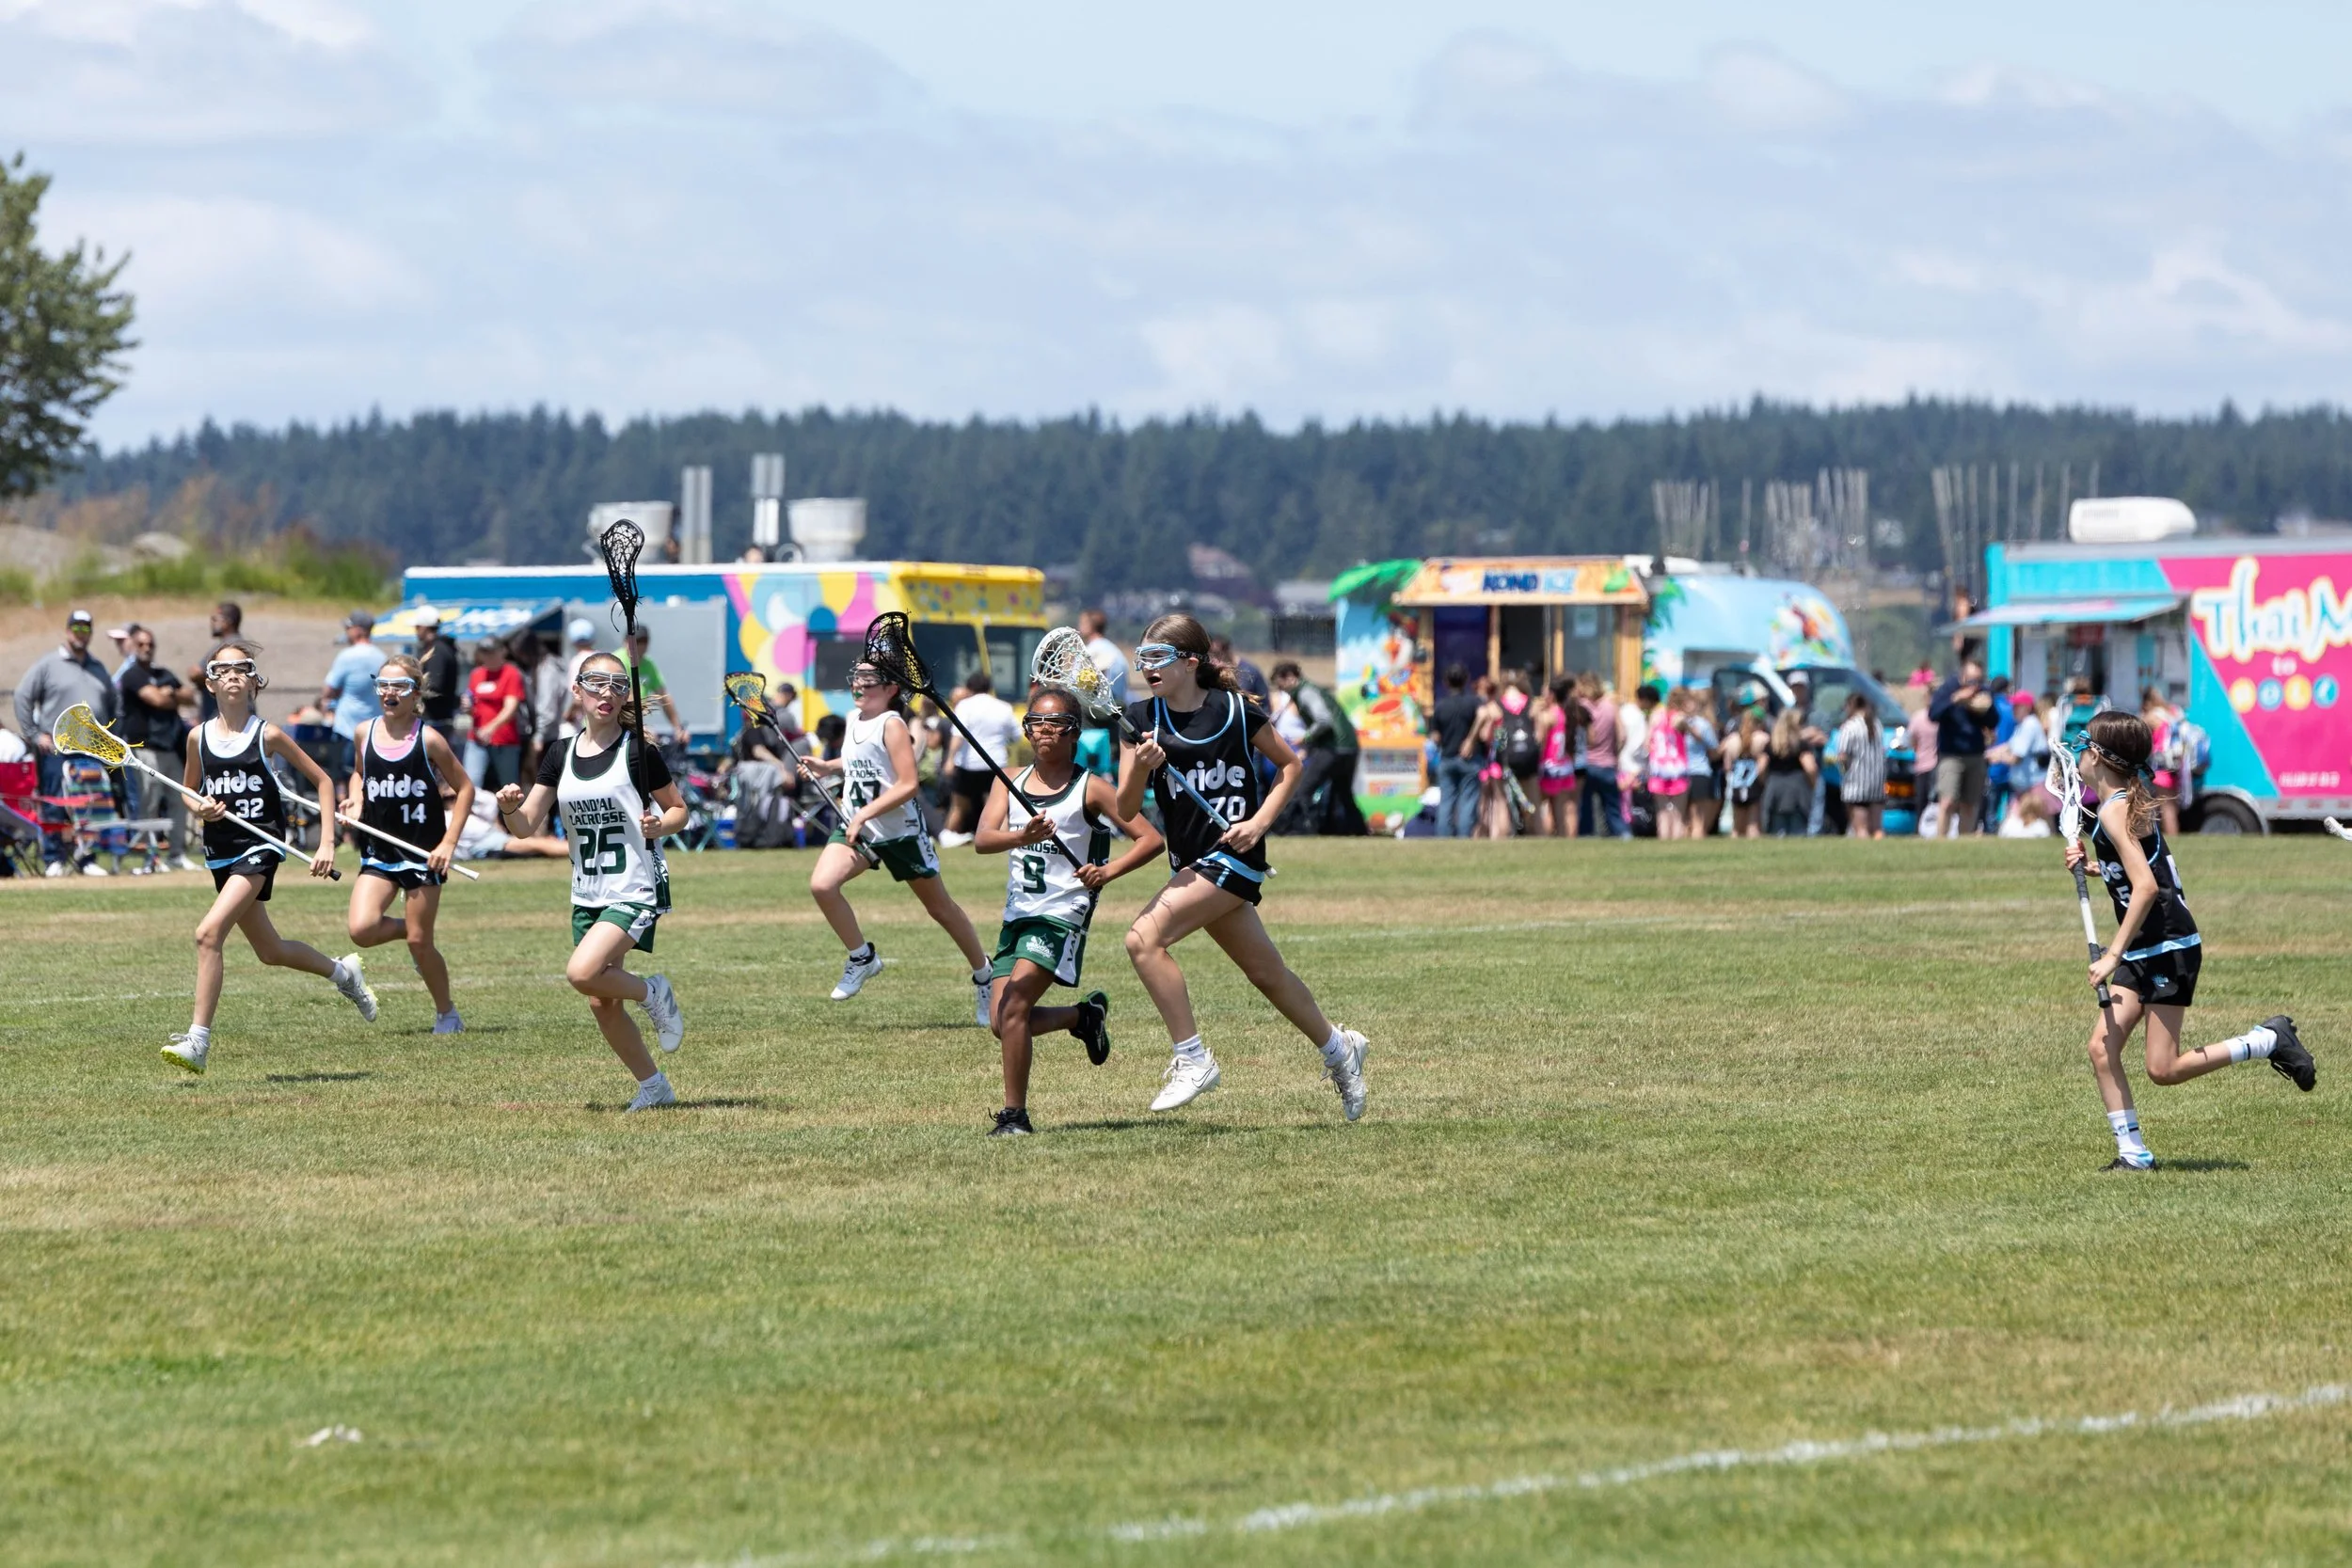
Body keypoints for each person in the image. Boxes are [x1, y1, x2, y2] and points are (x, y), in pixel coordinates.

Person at [1117, 613, 1369, 1119]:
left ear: (1191, 662)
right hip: (1191, 861)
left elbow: (1291, 766)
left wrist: (1258, 823)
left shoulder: (1236, 711)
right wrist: (1141, 768)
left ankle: (1192, 1059)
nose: (1148, 669)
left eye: (1158, 659)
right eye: (1142, 660)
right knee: (1267, 974)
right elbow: (1125, 811)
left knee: (1143, 940)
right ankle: (1341, 1049)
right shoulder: (1139, 719)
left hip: (1234, 855)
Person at [2066, 711, 2313, 1171]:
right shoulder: (2118, 806)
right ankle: (2133, 1154)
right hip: (2145, 945)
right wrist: (2098, 866)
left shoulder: (2115, 808)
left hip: (2167, 946)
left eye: (2081, 745)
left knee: (2163, 1069)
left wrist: (2111, 954)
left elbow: (2147, 888)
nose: (2075, 755)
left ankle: (2265, 1040)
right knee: (2102, 1047)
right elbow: (2141, 869)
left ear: (2097, 756)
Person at [164, 640, 374, 1075]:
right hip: (220, 853)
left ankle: (198, 1042)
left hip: (259, 848)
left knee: (208, 934)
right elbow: (190, 793)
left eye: (242, 667)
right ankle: (343, 974)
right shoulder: (197, 737)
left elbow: (321, 782)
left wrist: (328, 842)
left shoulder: (269, 735)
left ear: (255, 680)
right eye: (223, 669)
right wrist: (199, 807)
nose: (233, 674)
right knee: (270, 950)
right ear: (210, 682)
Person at [493, 651, 689, 1112]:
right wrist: (507, 807)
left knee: (582, 973)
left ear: (626, 696)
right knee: (602, 1001)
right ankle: (655, 1087)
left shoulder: (640, 751)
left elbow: (679, 809)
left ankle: (653, 991)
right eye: (596, 683)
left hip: (634, 886)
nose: (608, 692)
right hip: (587, 892)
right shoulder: (559, 754)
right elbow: (525, 827)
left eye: (618, 685)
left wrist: (661, 825)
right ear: (576, 689)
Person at [973, 688, 1164, 1135]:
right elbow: (982, 839)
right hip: (1018, 912)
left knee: (1016, 1005)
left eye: (1054, 723)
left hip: (1063, 912)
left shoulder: (1090, 788)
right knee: (1003, 1022)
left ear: (1074, 732)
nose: (1043, 730)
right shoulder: (1009, 780)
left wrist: (1107, 871)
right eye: (1036, 722)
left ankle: (1014, 1116)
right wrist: (1021, 837)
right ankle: (1083, 1017)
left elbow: (1151, 840)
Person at [803, 660, 993, 1021]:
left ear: (891, 689)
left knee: (940, 910)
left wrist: (863, 813)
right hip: (860, 828)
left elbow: (907, 784)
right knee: (823, 885)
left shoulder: (893, 725)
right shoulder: (852, 720)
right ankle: (862, 957)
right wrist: (827, 767)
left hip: (899, 831)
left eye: (867, 679)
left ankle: (985, 975)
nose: (858, 685)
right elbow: (862, 764)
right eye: (855, 677)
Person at [341, 655, 473, 1034]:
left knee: (421, 944)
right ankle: (412, 930)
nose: (389, 692)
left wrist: (448, 843)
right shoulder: (364, 732)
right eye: (382, 684)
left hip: (422, 853)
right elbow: (358, 774)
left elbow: (465, 789)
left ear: (415, 694)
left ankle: (447, 1013)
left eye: (398, 686)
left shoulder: (428, 738)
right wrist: (356, 798)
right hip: (381, 849)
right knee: (362, 930)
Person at [15, 610, 120, 873]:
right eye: (77, 628)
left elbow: (112, 705)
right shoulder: (49, 664)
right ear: (67, 630)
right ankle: (54, 859)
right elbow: (22, 697)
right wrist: (34, 733)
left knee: (90, 805)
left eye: (86, 629)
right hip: (56, 749)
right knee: (55, 803)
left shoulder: (98, 668)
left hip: (91, 749)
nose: (81, 633)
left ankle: (87, 859)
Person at [118, 625, 197, 870]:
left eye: (150, 644)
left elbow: (190, 696)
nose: (146, 649)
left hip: (169, 749)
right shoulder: (131, 675)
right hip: (144, 750)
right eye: (141, 644)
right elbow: (156, 699)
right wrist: (169, 696)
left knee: (180, 800)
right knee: (148, 802)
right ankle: (149, 856)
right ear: (132, 646)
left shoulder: (164, 673)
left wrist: (169, 691)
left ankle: (176, 854)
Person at [1274, 661, 1365, 835]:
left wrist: (1305, 737)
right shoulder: (1309, 691)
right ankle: (1359, 832)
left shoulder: (1306, 692)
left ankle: (1305, 830)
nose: (1282, 689)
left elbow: (1323, 720)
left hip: (1334, 749)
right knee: (1344, 794)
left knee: (1303, 789)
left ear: (1290, 678)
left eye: (1281, 684)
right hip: (1348, 748)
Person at [939, 668, 1019, 847]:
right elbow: (1015, 736)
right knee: (999, 807)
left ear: (969, 688)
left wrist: (950, 760)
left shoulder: (964, 706)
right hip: (996, 763)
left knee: (959, 805)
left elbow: (958, 735)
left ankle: (948, 837)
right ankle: (1004, 841)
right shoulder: (1004, 707)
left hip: (969, 764)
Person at [1929, 657, 1999, 838]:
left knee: (1970, 802)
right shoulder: (1948, 689)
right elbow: (1933, 713)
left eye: (1978, 680)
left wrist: (1984, 709)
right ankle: (1941, 839)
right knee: (1947, 801)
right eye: (1971, 680)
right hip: (1951, 754)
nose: (1975, 684)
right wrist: (1956, 699)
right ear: (1962, 676)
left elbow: (1993, 721)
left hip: (1975, 754)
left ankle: (1965, 839)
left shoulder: (1983, 692)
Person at [319, 610, 389, 783]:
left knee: (346, 776)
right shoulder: (382, 657)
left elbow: (328, 691)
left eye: (348, 628)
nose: (346, 632)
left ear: (358, 630)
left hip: (348, 729)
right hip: (374, 728)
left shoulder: (347, 656)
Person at [1428, 663, 1483, 839]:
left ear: (1445, 682)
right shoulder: (1474, 702)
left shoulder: (1440, 706)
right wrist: (1471, 740)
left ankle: (1443, 837)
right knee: (1468, 800)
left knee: (1446, 801)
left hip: (1447, 758)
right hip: (1470, 759)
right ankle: (1464, 837)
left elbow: (1435, 737)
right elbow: (1485, 716)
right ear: (1466, 680)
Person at [464, 640, 527, 789]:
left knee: (509, 787)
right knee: (471, 784)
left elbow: (511, 708)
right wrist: (467, 708)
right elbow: (473, 706)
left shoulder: (511, 673)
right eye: (484, 652)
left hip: (504, 741)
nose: (488, 656)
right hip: (477, 739)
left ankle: (510, 813)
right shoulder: (476, 674)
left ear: (502, 651)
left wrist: (491, 728)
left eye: (492, 652)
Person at [512, 632, 564, 779]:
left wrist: (539, 737)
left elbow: (547, 706)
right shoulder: (539, 667)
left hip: (548, 736)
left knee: (546, 781)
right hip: (543, 734)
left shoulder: (548, 669)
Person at [1578, 674, 1625, 837]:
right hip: (1608, 763)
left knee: (1585, 807)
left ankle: (1586, 836)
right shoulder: (1611, 706)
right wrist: (1616, 753)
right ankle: (1623, 835)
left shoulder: (1582, 706)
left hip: (1587, 763)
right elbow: (1623, 735)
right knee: (1613, 807)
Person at [619, 626, 686, 741]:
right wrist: (637, 728)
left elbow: (663, 697)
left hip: (634, 723)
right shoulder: (617, 661)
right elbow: (624, 698)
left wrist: (678, 728)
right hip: (615, 723)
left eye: (643, 642)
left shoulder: (648, 665)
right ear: (625, 642)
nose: (639, 646)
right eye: (636, 641)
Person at [1835, 692, 1886, 839]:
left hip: (1857, 784)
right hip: (1877, 782)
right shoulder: (1877, 724)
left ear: (1851, 706)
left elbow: (1843, 756)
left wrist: (1842, 769)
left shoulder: (1849, 727)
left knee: (1861, 828)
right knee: (1877, 827)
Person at [1536, 674, 1581, 838]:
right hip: (1565, 764)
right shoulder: (1567, 713)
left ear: (1551, 694)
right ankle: (1565, 838)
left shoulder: (1548, 716)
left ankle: (1546, 837)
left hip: (1549, 765)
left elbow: (1539, 741)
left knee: (1545, 806)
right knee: (1563, 807)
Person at [1760, 706, 1816, 837]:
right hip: (1797, 788)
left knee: (1776, 830)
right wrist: (1813, 784)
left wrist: (1766, 783)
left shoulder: (1771, 745)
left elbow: (1761, 768)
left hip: (1774, 788)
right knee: (1798, 831)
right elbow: (1811, 768)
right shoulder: (1801, 744)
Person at [1644, 686, 1689, 839]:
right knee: (1677, 812)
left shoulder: (1656, 715)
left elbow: (1647, 743)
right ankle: (1675, 843)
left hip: (1658, 765)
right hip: (1677, 766)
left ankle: (1663, 841)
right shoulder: (1681, 717)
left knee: (1662, 810)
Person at [188, 602, 242, 724]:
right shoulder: (238, 644)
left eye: (215, 619)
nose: (211, 623)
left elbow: (196, 673)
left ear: (227, 621)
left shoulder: (228, 646)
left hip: (225, 718)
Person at [1723, 700, 1769, 838]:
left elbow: (1727, 766)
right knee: (1753, 824)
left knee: (1736, 825)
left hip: (1736, 784)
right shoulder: (1763, 738)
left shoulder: (1732, 739)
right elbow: (1762, 765)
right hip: (1753, 783)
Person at [2141, 686, 2184, 837]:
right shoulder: (2170, 714)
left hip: (2161, 768)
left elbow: (2137, 726)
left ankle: (2172, 838)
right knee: (2170, 806)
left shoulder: (2153, 716)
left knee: (2167, 808)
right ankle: (2172, 836)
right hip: (2173, 766)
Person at [414, 608, 461, 741]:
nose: (416, 631)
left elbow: (434, 685)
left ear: (425, 627)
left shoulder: (437, 651)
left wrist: (413, 691)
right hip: (437, 719)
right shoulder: (439, 648)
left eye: (418, 627)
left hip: (435, 720)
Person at [1679, 689, 1719, 838]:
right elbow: (1714, 750)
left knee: (1683, 819)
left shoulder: (1676, 724)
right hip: (1700, 772)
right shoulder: (1703, 725)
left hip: (1680, 773)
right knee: (1698, 821)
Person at [1079, 609, 1129, 705]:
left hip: (1098, 710)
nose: (1079, 627)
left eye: (1082, 623)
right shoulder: (1114, 650)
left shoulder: (1091, 651)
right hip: (1118, 707)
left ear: (1090, 626)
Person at [560, 618, 599, 736]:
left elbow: (578, 697)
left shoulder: (577, 661)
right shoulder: (602, 658)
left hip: (585, 724)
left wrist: (568, 715)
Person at [1209, 635, 1270, 705]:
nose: (1214, 658)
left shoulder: (1250, 671)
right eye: (1212, 654)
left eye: (1217, 653)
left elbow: (1264, 701)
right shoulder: (1214, 673)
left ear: (1227, 650)